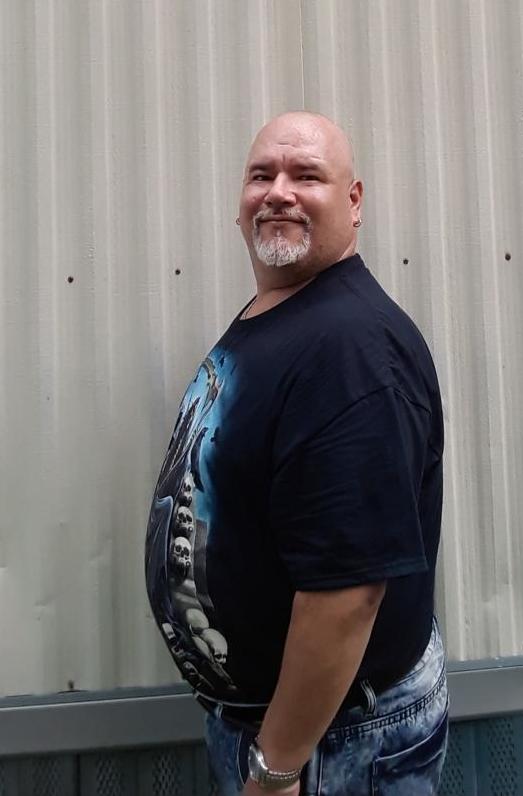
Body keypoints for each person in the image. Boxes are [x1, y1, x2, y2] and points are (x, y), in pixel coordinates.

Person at [145, 111, 448, 795]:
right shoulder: (285, 312)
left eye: (306, 176)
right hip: (287, 730)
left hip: (334, 746)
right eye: (262, 175)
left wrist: (277, 768)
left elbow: (347, 593)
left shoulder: (349, 350)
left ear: (353, 201)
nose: (278, 191)